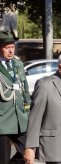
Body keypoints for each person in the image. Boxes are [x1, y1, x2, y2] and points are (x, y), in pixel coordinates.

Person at [0, 31, 31, 164]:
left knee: (28, 153)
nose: (11, 51)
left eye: (12, 47)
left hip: (20, 119)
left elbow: (24, 88)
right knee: (2, 159)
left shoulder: (18, 64)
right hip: (2, 121)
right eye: (7, 47)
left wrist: (27, 107)